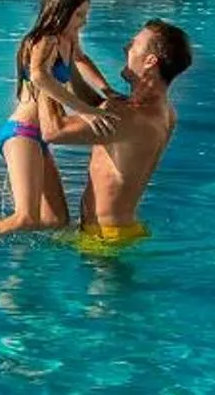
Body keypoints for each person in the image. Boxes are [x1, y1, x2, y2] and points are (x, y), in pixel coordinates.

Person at [0, 0, 115, 238]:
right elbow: (39, 76)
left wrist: (107, 95)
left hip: (40, 137)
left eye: (86, 14)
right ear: (60, 12)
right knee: (26, 218)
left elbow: (80, 65)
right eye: (79, 15)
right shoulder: (44, 40)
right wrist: (85, 111)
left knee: (57, 221)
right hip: (22, 132)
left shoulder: (69, 39)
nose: (84, 21)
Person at [76, 19, 192, 247]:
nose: (125, 48)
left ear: (150, 61)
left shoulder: (131, 116)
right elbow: (97, 106)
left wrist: (37, 80)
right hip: (119, 232)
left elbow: (52, 131)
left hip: (106, 239)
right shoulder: (162, 111)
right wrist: (69, 57)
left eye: (134, 45)